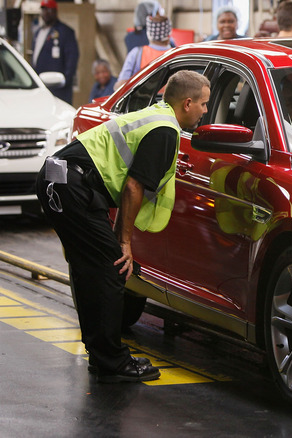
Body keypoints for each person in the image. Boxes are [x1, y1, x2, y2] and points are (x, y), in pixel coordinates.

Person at [35, 70, 211, 383]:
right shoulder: (165, 129)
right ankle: (111, 361)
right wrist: (125, 243)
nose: (205, 111)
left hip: (61, 179)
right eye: (204, 104)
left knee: (93, 269)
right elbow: (133, 187)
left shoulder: (156, 116)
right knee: (111, 268)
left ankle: (102, 356)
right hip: (67, 184)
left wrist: (119, 238)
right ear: (187, 103)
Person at [31, 0, 79, 104]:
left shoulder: (65, 32)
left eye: (49, 10)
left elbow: (72, 58)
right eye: (43, 10)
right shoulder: (38, 32)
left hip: (58, 88)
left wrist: (64, 80)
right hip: (41, 86)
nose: (46, 13)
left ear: (55, 11)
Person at [115, 12, 172, 90]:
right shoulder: (177, 55)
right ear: (169, 34)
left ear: (148, 34)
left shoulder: (136, 54)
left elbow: (120, 87)